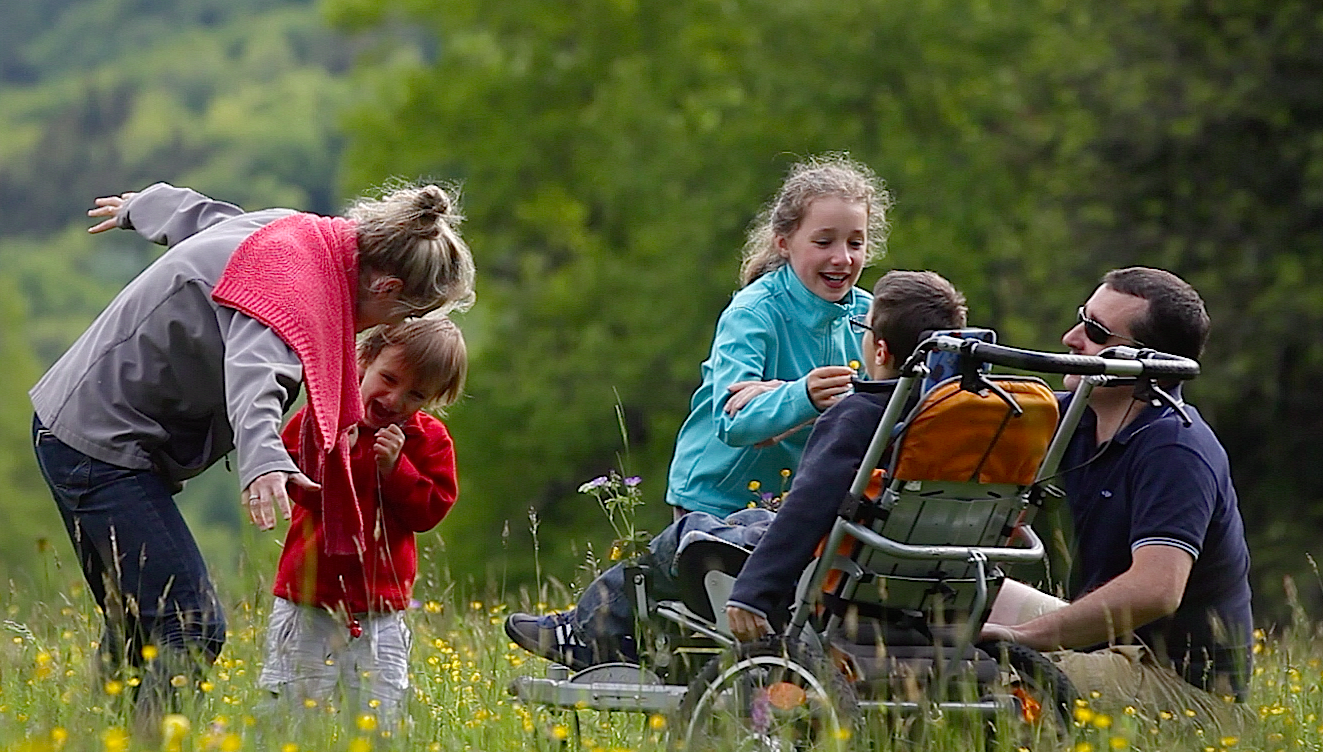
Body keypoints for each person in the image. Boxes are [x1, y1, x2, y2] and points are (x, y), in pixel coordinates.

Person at [30, 182, 474, 734]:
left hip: (85, 426)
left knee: (141, 622)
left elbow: (215, 220)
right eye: (399, 320)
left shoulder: (303, 236)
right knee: (189, 624)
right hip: (98, 442)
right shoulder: (297, 288)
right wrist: (264, 458)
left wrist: (142, 207)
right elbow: (257, 367)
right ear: (385, 287)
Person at [728, 266, 1253, 721]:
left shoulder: (1174, 448)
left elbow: (1157, 590)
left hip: (1180, 684)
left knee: (975, 675)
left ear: (1142, 360)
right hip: (1114, 647)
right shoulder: (1082, 419)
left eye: (1095, 331)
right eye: (1080, 316)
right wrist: (779, 404)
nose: (1071, 338)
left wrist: (1030, 639)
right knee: (934, 599)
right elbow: (917, 426)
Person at [505, 271, 967, 667]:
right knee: (744, 521)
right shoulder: (939, 421)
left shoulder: (857, 414)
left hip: (822, 571)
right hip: (908, 573)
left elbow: (808, 507)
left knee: (688, 537)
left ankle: (587, 631)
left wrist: (754, 592)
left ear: (881, 350)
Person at [258, 317, 467, 726]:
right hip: (308, 599)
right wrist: (337, 454)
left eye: (416, 395)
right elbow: (297, 487)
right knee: (287, 713)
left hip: (380, 609)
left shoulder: (429, 440)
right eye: (388, 378)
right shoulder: (321, 418)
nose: (393, 398)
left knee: (380, 715)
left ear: (434, 400)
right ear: (365, 360)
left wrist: (397, 470)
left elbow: (429, 512)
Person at [664, 155, 891, 518]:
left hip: (802, 507)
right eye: (823, 242)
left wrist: (784, 396)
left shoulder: (871, 315)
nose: (842, 258)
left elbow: (882, 406)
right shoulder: (753, 313)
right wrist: (803, 396)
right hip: (718, 504)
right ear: (784, 243)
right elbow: (732, 420)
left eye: (855, 243)